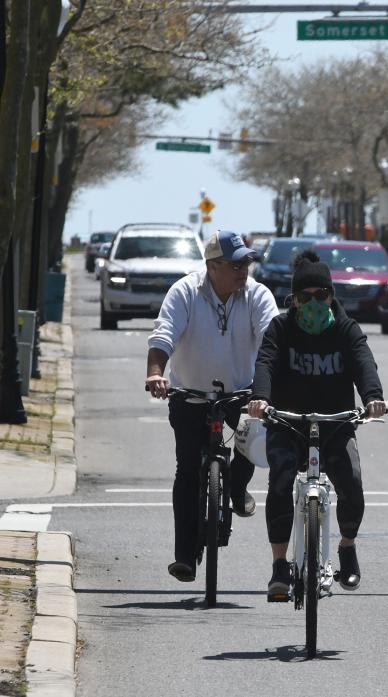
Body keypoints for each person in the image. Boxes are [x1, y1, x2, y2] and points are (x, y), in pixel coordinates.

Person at [247, 250, 386, 598]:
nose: (313, 303)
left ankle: (347, 547)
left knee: (351, 479)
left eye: (321, 295)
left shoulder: (345, 329)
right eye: (305, 297)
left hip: (334, 423)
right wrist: (260, 398)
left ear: (331, 295)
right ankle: (280, 565)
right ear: (293, 299)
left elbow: (364, 362)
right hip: (288, 422)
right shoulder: (280, 328)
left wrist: (373, 398)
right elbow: (265, 362)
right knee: (279, 481)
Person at [145, 230, 279, 582]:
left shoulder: (257, 295)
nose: (243, 270)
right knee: (188, 470)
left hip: (243, 393)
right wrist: (156, 374)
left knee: (254, 444)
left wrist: (268, 390)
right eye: (235, 265)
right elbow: (164, 334)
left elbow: (271, 340)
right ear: (213, 266)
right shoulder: (185, 292)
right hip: (190, 394)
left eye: (246, 263)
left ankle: (236, 488)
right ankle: (185, 556)